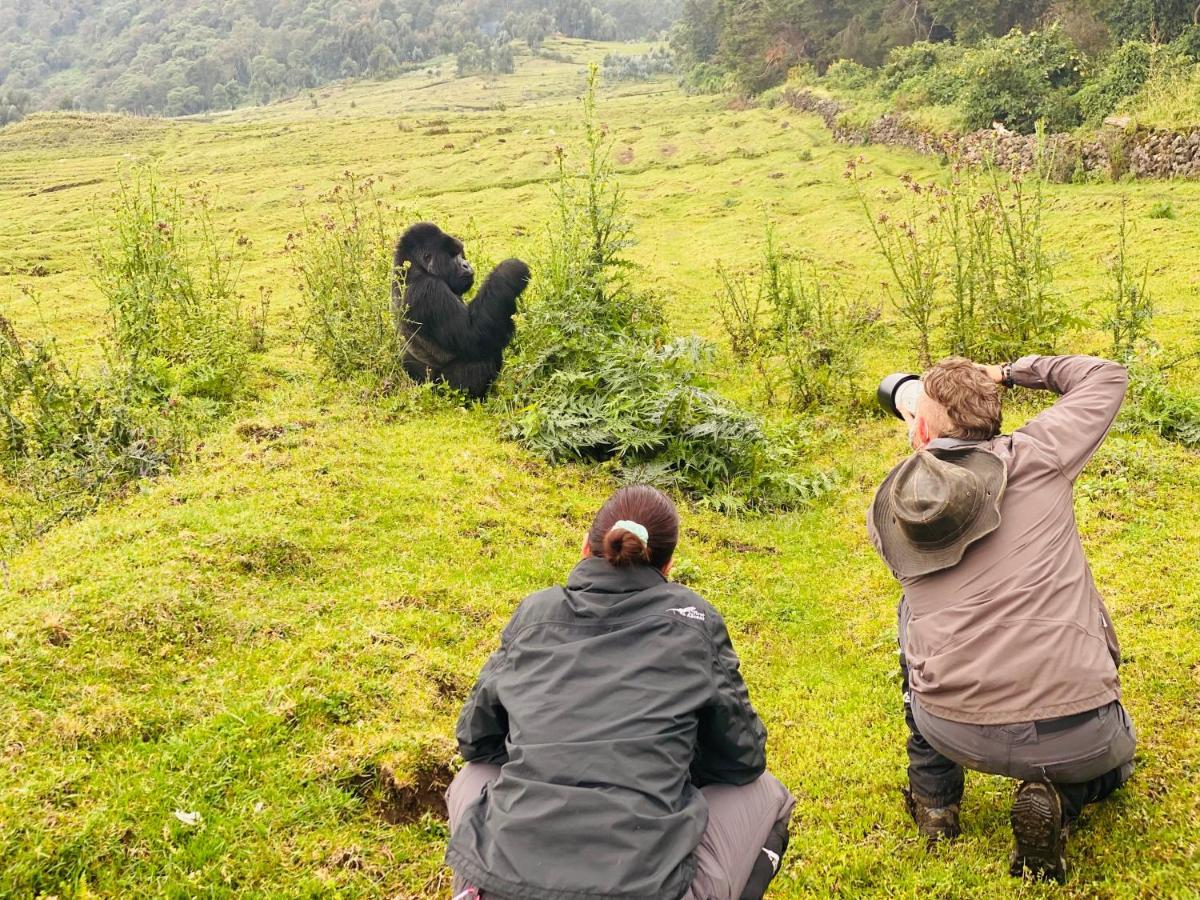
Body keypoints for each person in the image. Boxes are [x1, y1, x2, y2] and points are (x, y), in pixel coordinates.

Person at [445, 485, 795, 900]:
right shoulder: (694, 621)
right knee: (766, 792)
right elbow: (742, 760)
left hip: (507, 880)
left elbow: (476, 741)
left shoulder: (533, 615)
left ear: (584, 547)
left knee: (474, 775)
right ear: (667, 565)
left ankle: (475, 887)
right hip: (645, 884)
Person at [867, 356, 1136, 884]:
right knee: (1117, 756)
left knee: (912, 613)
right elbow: (1106, 374)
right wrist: (1009, 372)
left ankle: (935, 801)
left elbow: (941, 480)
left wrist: (923, 443)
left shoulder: (893, 511)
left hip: (949, 729)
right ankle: (1062, 794)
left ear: (919, 426)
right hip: (1077, 731)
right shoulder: (1040, 454)